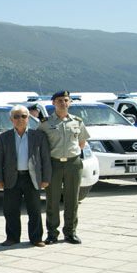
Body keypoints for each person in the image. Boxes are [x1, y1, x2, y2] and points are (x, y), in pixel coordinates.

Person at [0, 105, 51, 247]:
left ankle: (36, 238)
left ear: (28, 118)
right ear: (11, 119)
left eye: (24, 116)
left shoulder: (38, 136)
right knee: (10, 210)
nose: (20, 119)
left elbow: (45, 158)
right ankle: (12, 238)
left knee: (35, 210)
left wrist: (46, 178)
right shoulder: (3, 137)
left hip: (32, 178)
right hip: (11, 178)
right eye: (17, 116)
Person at [38, 91, 90, 245]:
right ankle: (52, 233)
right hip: (53, 163)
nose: (63, 103)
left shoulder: (77, 121)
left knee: (72, 199)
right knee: (52, 200)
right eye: (60, 100)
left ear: (70, 102)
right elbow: (40, 144)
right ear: (53, 103)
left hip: (73, 164)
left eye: (66, 100)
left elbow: (81, 142)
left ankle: (70, 232)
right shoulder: (45, 123)